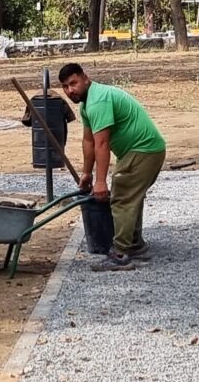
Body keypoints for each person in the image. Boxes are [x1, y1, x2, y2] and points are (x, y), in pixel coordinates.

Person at [56, 63, 166, 271]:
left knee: (123, 194)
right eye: (65, 86)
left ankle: (121, 253)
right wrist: (87, 173)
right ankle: (134, 244)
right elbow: (88, 142)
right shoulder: (87, 104)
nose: (70, 90)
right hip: (140, 150)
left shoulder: (98, 100)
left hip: (145, 149)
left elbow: (102, 144)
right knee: (130, 194)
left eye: (73, 83)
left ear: (85, 78)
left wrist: (100, 181)